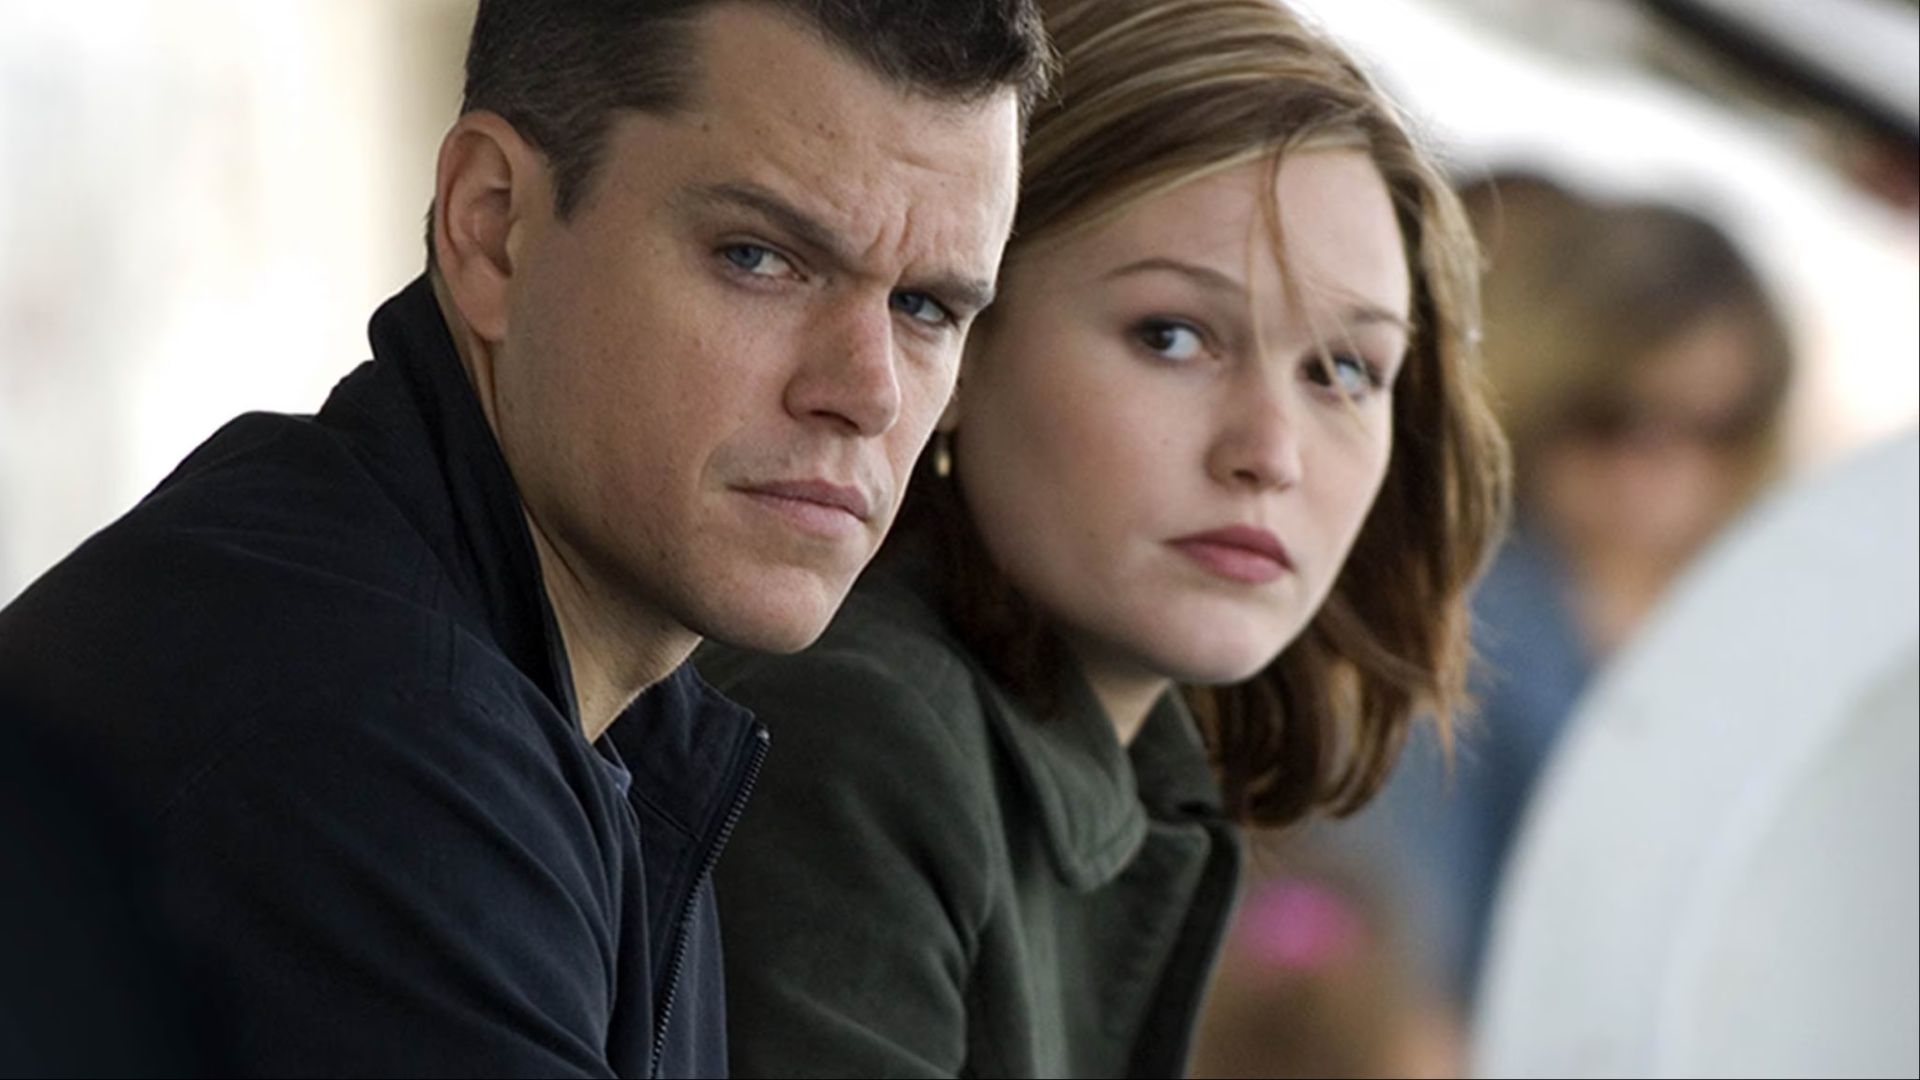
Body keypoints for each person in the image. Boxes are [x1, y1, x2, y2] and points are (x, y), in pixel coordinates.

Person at [0, 1, 1049, 1075]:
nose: (869, 394)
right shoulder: (359, 729)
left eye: (927, 308)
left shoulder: (608, 715)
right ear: (493, 227)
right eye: (759, 257)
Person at [691, 0, 1511, 1074]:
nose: (1270, 452)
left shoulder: (1136, 772)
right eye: (1172, 336)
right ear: (960, 331)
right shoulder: (863, 732)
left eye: (1344, 371)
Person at [1329, 172, 1797, 1016]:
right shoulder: (1451, 623)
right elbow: (1406, 979)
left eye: (1716, 427)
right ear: (1539, 397)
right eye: (1615, 420)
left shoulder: (1758, 630)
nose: (1661, 470)